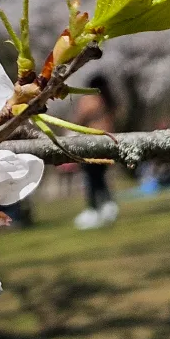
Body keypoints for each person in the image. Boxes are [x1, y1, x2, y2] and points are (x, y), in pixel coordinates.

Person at [74, 75, 119, 230]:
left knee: (91, 178)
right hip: (107, 142)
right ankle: (107, 205)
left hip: (91, 144)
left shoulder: (90, 100)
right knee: (99, 177)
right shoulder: (109, 100)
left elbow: (79, 119)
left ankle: (93, 209)